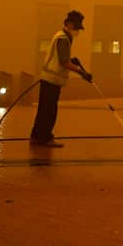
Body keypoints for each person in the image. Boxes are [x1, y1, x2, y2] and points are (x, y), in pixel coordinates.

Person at [30, 10, 92, 147]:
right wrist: (81, 72)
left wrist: (72, 60)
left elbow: (62, 59)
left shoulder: (60, 36)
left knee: (43, 109)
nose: (77, 31)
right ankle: (46, 138)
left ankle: (36, 136)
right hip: (52, 80)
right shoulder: (63, 38)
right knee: (50, 111)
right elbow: (64, 62)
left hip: (48, 78)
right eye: (76, 27)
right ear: (68, 24)